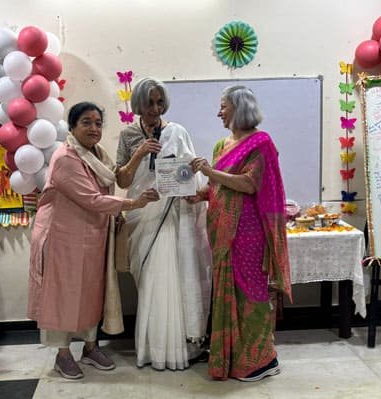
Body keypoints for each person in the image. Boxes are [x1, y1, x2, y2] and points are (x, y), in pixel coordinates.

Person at [27, 102, 159, 380]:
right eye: (86, 122)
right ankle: (63, 354)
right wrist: (133, 203)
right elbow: (92, 199)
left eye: (98, 123)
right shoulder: (66, 157)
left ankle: (90, 347)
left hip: (92, 235)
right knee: (62, 293)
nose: (94, 128)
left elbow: (117, 178)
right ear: (72, 127)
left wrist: (138, 155)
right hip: (62, 236)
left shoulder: (97, 153)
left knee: (91, 291)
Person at [189, 85, 292, 382]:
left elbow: (249, 184)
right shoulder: (222, 145)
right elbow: (219, 186)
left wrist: (209, 173)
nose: (218, 112)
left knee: (251, 295)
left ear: (239, 107)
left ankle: (262, 360)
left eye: (223, 106)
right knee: (227, 294)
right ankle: (232, 357)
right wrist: (199, 194)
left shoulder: (261, 142)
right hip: (222, 233)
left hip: (247, 234)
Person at [116, 77, 211, 371]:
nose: (155, 109)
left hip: (173, 216)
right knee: (151, 281)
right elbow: (123, 180)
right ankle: (153, 347)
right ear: (138, 104)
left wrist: (193, 171)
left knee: (175, 278)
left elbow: (188, 176)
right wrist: (140, 153)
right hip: (143, 215)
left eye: (159, 102)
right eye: (149, 103)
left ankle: (182, 346)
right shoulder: (128, 135)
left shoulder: (177, 131)